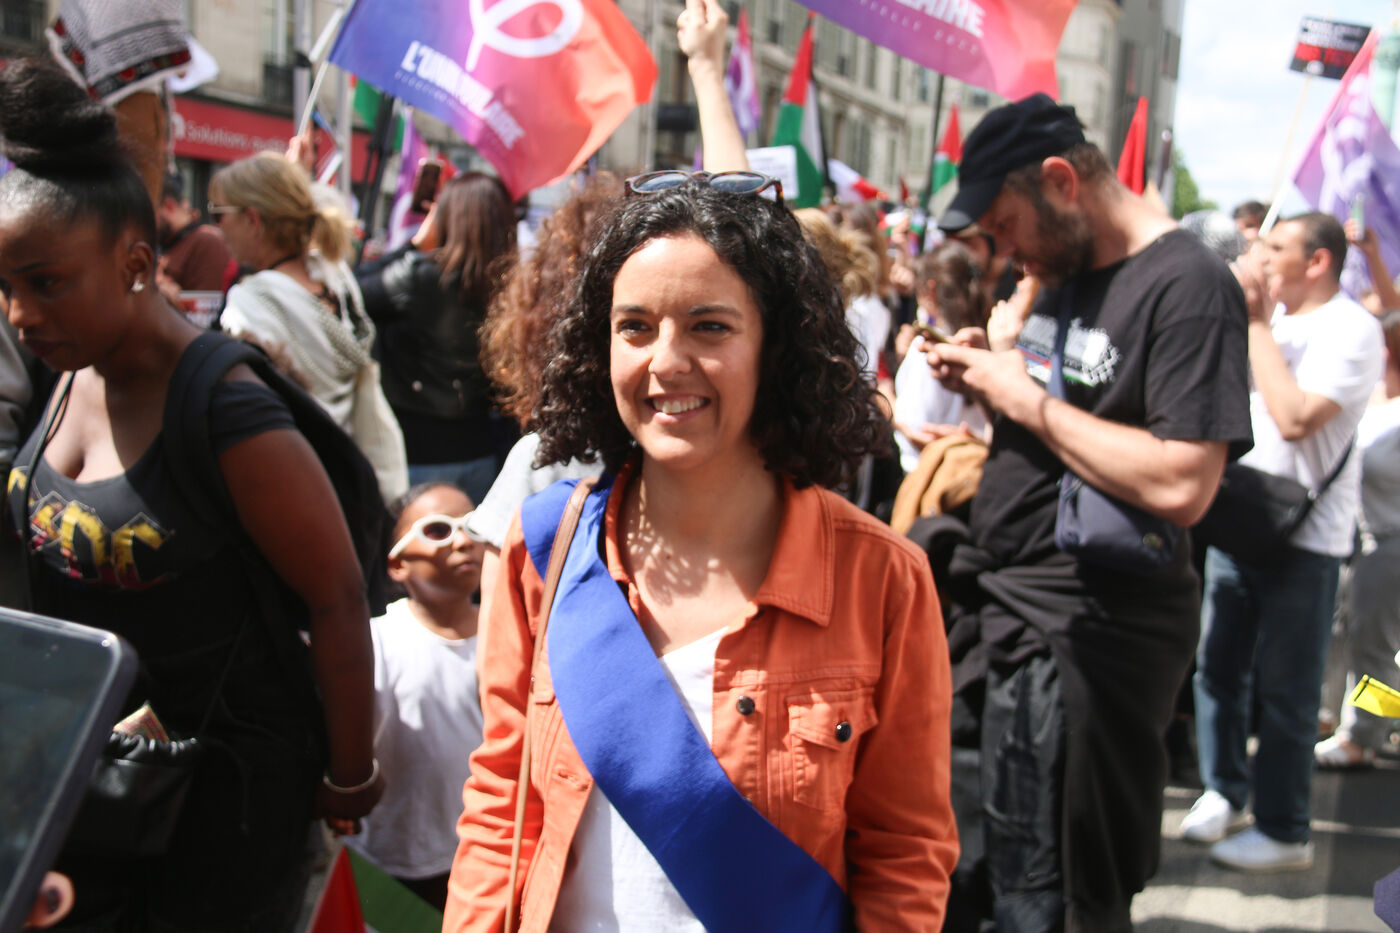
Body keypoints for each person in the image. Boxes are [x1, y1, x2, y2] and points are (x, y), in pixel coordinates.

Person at [444, 173, 959, 932]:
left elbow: (905, 854)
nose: (666, 360)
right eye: (635, 327)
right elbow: (500, 804)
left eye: (709, 327)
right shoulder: (542, 546)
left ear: (776, 348)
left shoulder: (882, 579)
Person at [0, 57, 381, 930]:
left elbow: (336, 596)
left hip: (225, 807)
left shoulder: (226, 410)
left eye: (45, 282)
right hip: (96, 790)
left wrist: (350, 772)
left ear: (136, 264)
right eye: (6, 288)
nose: (20, 314)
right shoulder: (68, 369)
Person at [924, 93, 1252, 932]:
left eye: (1005, 226)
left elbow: (1184, 482)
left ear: (1061, 182)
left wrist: (1024, 401)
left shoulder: (1188, 284)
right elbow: (1068, 418)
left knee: (1059, 896)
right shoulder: (1063, 275)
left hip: (1089, 638)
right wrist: (988, 372)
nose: (1004, 251)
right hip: (1013, 614)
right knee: (999, 879)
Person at [1187, 213, 1384, 870]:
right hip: (1240, 520)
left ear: (1317, 261)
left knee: (1286, 689)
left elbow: (1296, 417)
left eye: (1275, 246)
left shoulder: (1351, 329)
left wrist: (1255, 324)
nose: (1260, 255)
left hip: (1307, 542)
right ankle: (1223, 790)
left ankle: (1284, 828)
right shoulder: (1271, 320)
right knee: (1217, 668)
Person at [210, 151, 408, 501]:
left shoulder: (251, 303)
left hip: (298, 479)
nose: (217, 228)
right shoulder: (335, 274)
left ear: (253, 219)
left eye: (219, 213)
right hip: (354, 469)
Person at [347, 482, 486, 911]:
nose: (462, 541)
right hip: (399, 860)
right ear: (397, 563)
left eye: (473, 526)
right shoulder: (376, 642)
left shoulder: (513, 632)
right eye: (438, 530)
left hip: (492, 855)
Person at [355, 172, 517, 504]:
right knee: (471, 537)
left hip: (418, 450)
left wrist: (415, 243)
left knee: (413, 536)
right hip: (483, 448)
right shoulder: (515, 285)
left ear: (448, 218)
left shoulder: (419, 276)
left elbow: (352, 291)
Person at [1316, 310, 1400, 768]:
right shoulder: (1370, 400)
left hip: (1388, 543)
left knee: (1374, 647)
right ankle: (1340, 719)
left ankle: (1367, 734)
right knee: (1341, 636)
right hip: (1354, 543)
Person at [891, 241, 990, 473]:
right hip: (974, 470)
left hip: (935, 474)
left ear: (930, 290)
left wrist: (886, 402)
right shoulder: (988, 339)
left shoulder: (927, 351)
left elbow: (915, 431)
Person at [154, 173, 237, 299]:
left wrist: (166, 294)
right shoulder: (168, 241)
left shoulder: (205, 242)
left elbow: (207, 305)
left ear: (168, 206)